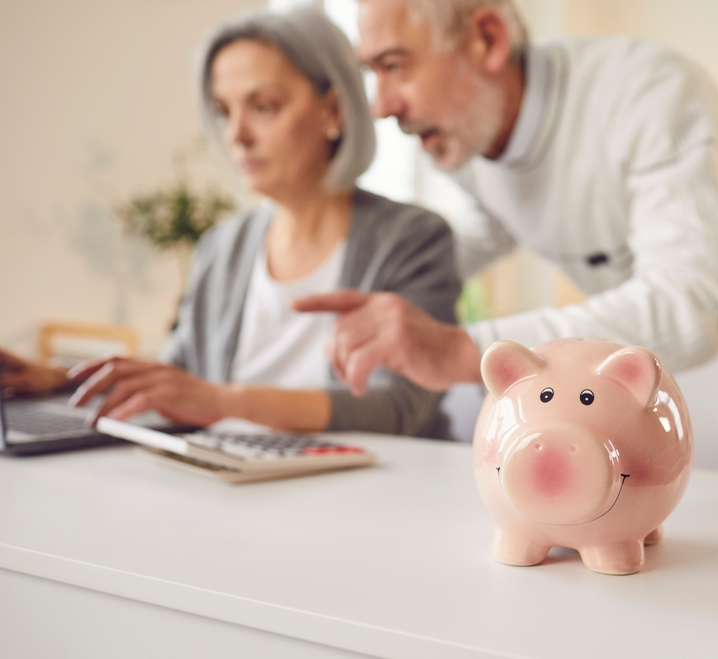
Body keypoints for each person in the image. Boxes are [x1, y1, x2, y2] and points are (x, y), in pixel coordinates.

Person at [294, 0, 718, 396]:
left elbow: (690, 310)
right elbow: (491, 226)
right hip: (650, 357)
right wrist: (379, 279)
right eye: (372, 73)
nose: (382, 106)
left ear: (487, 38)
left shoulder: (647, 93)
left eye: (395, 66)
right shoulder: (465, 134)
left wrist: (460, 349)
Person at [9, 6, 461, 439]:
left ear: (334, 110)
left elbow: (401, 406)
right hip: (229, 482)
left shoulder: (413, 238)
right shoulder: (222, 246)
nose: (236, 136)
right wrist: (60, 379)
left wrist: (226, 401)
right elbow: (176, 378)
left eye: (263, 106)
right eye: (224, 111)